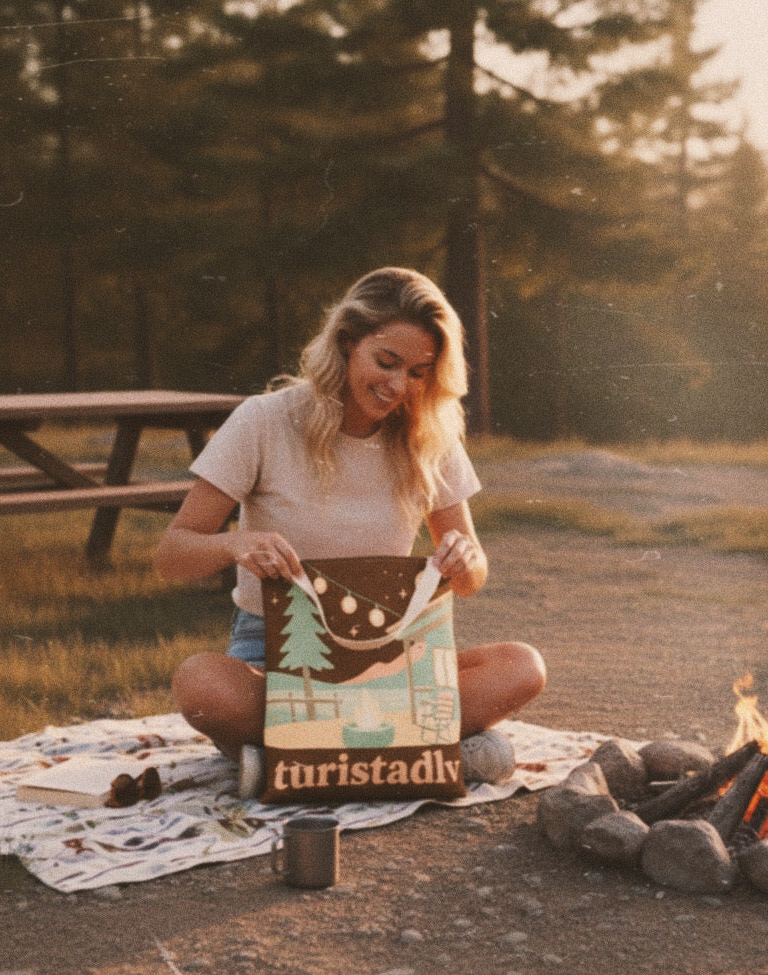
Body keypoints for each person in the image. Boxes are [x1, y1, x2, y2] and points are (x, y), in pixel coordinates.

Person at [154, 267, 545, 785]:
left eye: (419, 372)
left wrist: (465, 559)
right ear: (345, 343)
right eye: (386, 362)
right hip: (274, 653)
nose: (397, 386)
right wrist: (238, 543)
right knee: (200, 684)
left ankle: (292, 760)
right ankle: (409, 754)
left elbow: (472, 579)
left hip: (390, 656)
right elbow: (171, 555)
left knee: (523, 667)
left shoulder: (430, 435)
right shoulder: (263, 420)